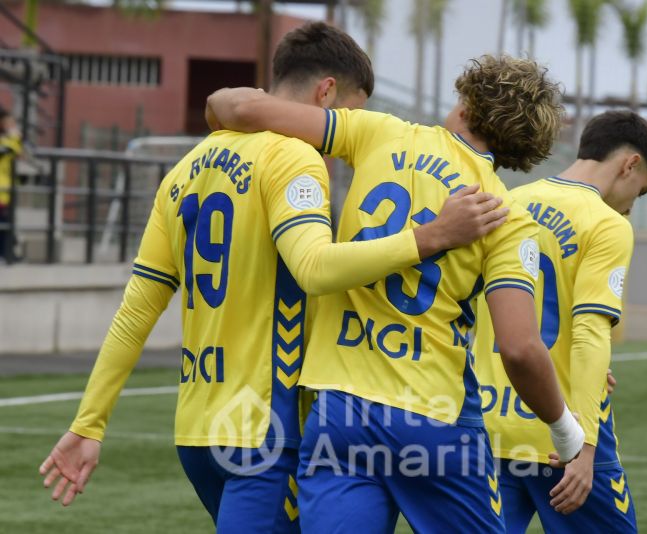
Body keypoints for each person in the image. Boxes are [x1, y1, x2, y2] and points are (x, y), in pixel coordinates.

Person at [37, 22, 506, 533]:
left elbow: (136, 311)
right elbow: (314, 268)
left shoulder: (185, 170)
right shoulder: (295, 158)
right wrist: (429, 237)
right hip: (267, 429)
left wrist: (89, 422)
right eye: (353, 113)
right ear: (326, 93)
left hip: (199, 431)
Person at [206, 53, 586, 533]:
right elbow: (520, 348)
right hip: (435, 422)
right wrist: (566, 433)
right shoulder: (506, 217)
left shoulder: (379, 132)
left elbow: (234, 108)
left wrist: (214, 105)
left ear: (466, 104)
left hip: (339, 414)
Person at [473, 110, 647, 533]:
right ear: (629, 164)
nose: (633, 205)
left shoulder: (510, 200)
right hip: (560, 435)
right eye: (641, 190)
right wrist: (585, 448)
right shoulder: (606, 224)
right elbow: (590, 334)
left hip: (491, 429)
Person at [0, 107, 22, 263]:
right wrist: (15, 138)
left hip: (6, 190)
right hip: (2, 190)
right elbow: (11, 150)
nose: (12, 127)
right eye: (9, 124)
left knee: (6, 224)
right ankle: (8, 254)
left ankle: (9, 253)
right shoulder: (6, 142)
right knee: (4, 225)